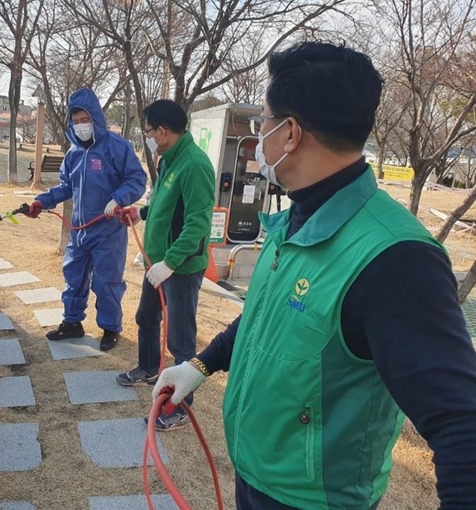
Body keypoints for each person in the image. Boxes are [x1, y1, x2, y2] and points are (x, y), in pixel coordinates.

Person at [152, 41, 476, 509]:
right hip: (256, 475)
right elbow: (267, 315)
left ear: (289, 133)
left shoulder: (396, 260)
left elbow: (461, 424)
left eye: (262, 121)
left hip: (311, 500)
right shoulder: (295, 219)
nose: (258, 136)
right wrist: (200, 365)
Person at [116, 99, 215, 431]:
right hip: (156, 261)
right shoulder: (169, 159)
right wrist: (139, 213)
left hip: (180, 268)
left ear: (162, 131)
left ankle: (180, 407)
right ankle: (147, 368)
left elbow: (197, 224)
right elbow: (163, 203)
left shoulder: (194, 165)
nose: (147, 137)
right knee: (146, 316)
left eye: (147, 131)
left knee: (181, 341)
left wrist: (171, 263)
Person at [25, 87, 146, 351]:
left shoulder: (118, 147)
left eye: (85, 120)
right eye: (76, 122)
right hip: (79, 231)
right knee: (74, 278)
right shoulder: (73, 154)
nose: (81, 126)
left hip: (108, 232)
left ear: (96, 118)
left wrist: (119, 198)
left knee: (106, 283)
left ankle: (110, 328)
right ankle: (72, 323)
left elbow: (137, 179)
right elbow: (65, 187)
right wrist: (42, 201)